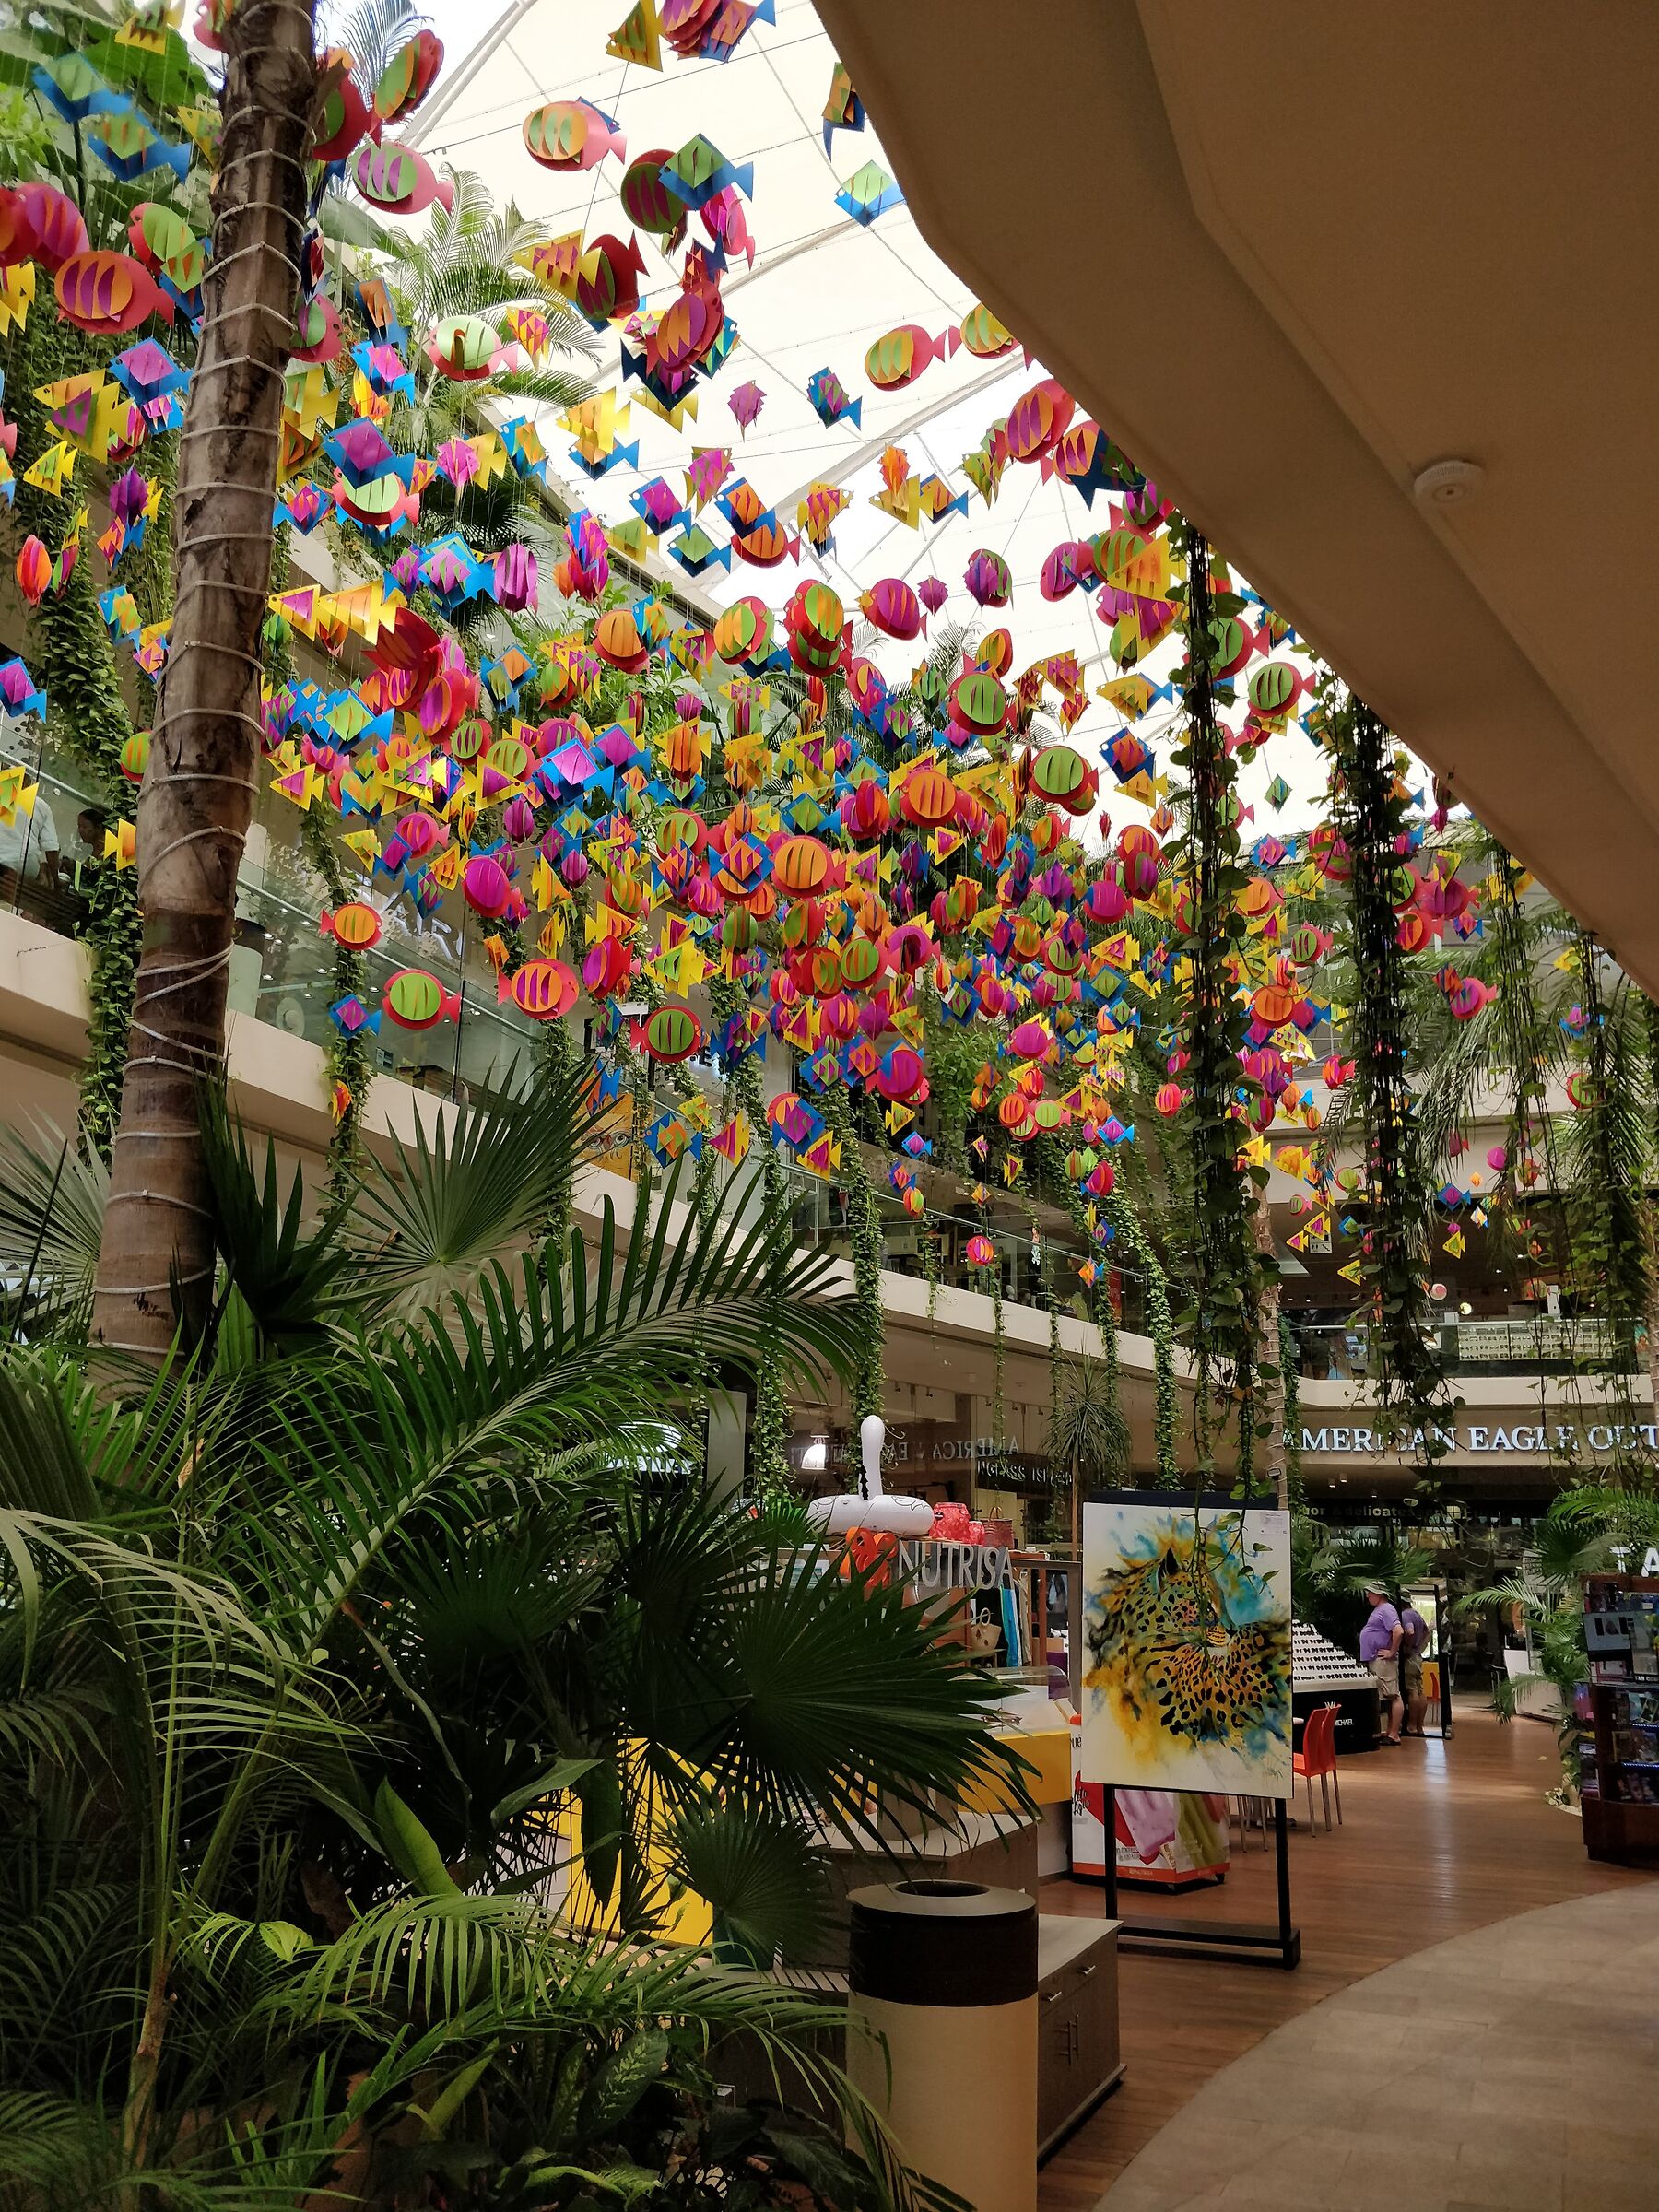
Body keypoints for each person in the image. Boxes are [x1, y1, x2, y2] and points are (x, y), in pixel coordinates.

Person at [1359, 1581, 1405, 1744]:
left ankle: (1394, 1734)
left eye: (1370, 1593)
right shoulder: (1381, 1610)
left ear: (1378, 1594)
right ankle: (1389, 1732)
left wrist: (1392, 1651)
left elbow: (1398, 1631)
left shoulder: (1386, 1609)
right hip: (1376, 1659)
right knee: (1386, 1694)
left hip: (1383, 1660)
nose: (1367, 1596)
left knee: (1393, 1694)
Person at [1399, 1594, 1431, 1736]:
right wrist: (1420, 1647)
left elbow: (1409, 1631)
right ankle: (1420, 1726)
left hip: (1410, 1657)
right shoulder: (1416, 1613)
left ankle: (1411, 1725)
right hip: (1418, 1656)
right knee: (1420, 1690)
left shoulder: (1405, 1615)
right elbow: (1427, 1632)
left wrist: (1408, 1647)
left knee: (1412, 1690)